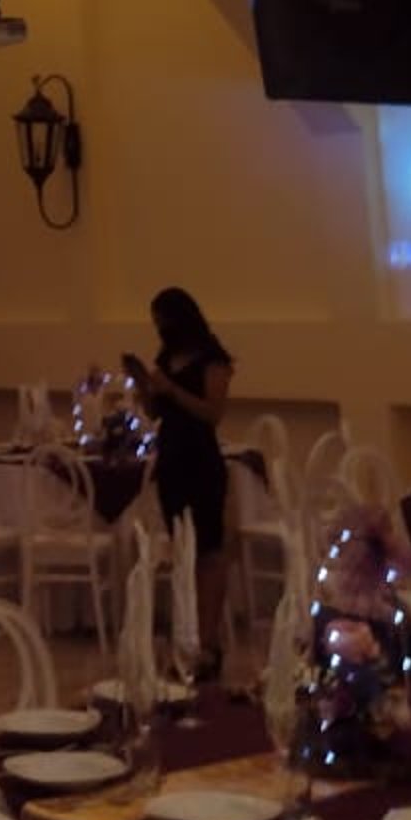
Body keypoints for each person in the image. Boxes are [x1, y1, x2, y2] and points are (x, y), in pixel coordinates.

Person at [128, 286, 234, 680]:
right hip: (171, 459)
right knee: (183, 550)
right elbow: (158, 411)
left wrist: (172, 389)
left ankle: (209, 641)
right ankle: (186, 637)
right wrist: (145, 388)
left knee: (209, 550)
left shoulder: (212, 359)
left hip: (201, 461)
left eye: (164, 320)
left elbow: (212, 412)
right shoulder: (165, 357)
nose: (159, 329)